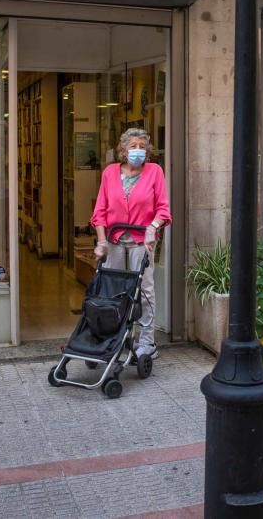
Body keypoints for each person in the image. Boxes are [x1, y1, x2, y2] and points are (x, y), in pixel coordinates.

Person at [91, 128, 171, 359]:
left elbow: (163, 209)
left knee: (144, 289)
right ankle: (114, 335)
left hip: (141, 241)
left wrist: (152, 229)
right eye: (133, 146)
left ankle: (147, 342)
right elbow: (100, 211)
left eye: (142, 147)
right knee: (113, 289)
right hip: (114, 240)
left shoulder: (155, 172)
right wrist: (101, 241)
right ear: (123, 150)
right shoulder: (109, 173)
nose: (138, 150)